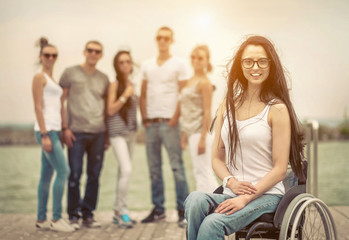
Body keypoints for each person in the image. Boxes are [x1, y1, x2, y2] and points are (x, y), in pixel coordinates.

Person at [184, 35, 306, 239]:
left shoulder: (276, 109)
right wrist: (230, 182)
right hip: (232, 191)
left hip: (267, 195)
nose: (255, 67)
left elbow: (279, 170)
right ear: (240, 65)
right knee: (194, 200)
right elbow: (216, 158)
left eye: (262, 61)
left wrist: (245, 198)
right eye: (248, 61)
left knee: (212, 224)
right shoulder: (227, 106)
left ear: (270, 65)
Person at [139, 26, 190, 228]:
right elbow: (142, 94)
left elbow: (184, 94)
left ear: (172, 40)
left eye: (166, 38)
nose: (162, 41)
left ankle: (183, 210)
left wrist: (175, 118)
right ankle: (158, 210)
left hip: (170, 123)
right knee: (154, 169)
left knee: (177, 167)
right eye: (159, 37)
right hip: (151, 123)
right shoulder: (147, 65)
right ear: (156, 39)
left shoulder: (180, 64)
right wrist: (144, 118)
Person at [60, 40, 109, 229]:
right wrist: (65, 128)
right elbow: (61, 101)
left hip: (98, 132)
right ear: (84, 52)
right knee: (74, 174)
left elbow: (105, 108)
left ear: (101, 55)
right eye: (90, 50)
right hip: (76, 133)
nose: (93, 54)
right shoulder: (70, 73)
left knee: (94, 176)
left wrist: (106, 136)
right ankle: (73, 214)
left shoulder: (103, 78)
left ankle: (88, 214)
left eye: (97, 51)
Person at [32, 37, 74, 232]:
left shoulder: (52, 80)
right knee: (64, 171)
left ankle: (41, 219)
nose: (50, 58)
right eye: (47, 55)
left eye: (54, 55)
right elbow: (38, 107)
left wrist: (63, 128)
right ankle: (56, 219)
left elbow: (59, 106)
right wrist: (44, 134)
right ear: (41, 57)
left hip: (55, 129)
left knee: (46, 175)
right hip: (46, 130)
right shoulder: (38, 77)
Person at [180, 45, 219, 193]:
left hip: (200, 133)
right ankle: (206, 209)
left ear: (206, 61)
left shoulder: (204, 83)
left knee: (204, 172)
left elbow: (207, 111)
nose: (196, 60)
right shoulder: (190, 81)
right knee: (199, 172)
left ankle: (214, 207)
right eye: (193, 57)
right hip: (191, 133)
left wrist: (203, 137)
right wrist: (184, 134)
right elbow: (187, 110)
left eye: (200, 58)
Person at [107, 50, 137, 228]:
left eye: (128, 61)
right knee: (126, 170)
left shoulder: (133, 84)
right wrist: (126, 94)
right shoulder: (114, 85)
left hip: (131, 134)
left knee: (121, 173)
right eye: (121, 62)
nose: (125, 65)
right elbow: (110, 110)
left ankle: (117, 211)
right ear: (116, 66)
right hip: (117, 134)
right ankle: (123, 211)